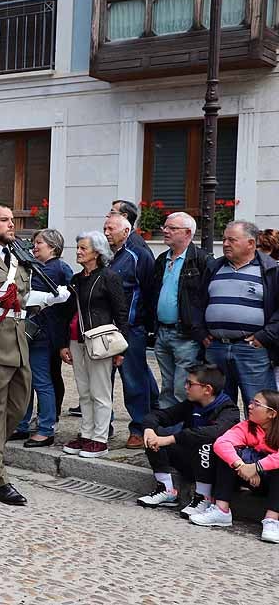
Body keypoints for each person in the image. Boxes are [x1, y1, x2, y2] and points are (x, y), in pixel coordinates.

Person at [0, 204, 69, 504]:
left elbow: (17, 298)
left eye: (11, 219)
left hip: (19, 341)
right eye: (4, 220)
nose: (11, 225)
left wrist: (49, 298)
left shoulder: (17, 257)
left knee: (18, 410)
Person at [192, 220, 279, 407]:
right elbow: (198, 303)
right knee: (218, 405)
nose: (225, 244)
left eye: (232, 240)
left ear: (251, 243)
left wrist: (264, 337)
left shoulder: (272, 270)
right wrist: (201, 333)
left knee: (259, 405)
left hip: (252, 350)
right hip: (216, 348)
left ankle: (262, 438)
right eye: (224, 239)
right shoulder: (214, 268)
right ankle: (225, 437)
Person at [58, 232, 129, 459]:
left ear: (96, 252)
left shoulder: (109, 277)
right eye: (78, 247)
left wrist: (122, 349)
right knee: (84, 391)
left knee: (100, 391)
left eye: (83, 248)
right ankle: (86, 433)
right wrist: (63, 344)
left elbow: (121, 313)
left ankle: (100, 438)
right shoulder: (77, 279)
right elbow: (68, 313)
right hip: (77, 340)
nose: (78, 252)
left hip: (100, 341)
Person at [136, 364, 239, 517]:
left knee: (205, 442)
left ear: (207, 389)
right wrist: (150, 429)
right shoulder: (192, 405)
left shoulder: (229, 411)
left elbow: (212, 433)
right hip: (190, 462)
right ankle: (166, 489)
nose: (185, 387)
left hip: (215, 470)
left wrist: (172, 439)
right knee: (154, 435)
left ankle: (203, 497)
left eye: (190, 384)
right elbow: (159, 416)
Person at [190, 390, 279, 543]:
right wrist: (242, 466)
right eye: (251, 402)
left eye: (256, 404)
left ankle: (272, 520)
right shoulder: (246, 426)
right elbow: (221, 443)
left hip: (271, 483)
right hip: (247, 476)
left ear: (272, 414)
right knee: (228, 454)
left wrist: (256, 467)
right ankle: (221, 510)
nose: (250, 406)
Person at [11, 228, 73, 448]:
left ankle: (46, 428)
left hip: (43, 333)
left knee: (40, 381)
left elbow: (68, 301)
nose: (35, 247)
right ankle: (22, 423)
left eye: (39, 243)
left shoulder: (60, 268)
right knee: (25, 380)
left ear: (53, 247)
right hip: (28, 331)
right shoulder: (33, 266)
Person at [104, 212, 159, 449]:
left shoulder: (139, 256)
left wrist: (147, 327)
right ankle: (104, 426)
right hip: (106, 329)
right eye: (105, 228)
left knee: (133, 380)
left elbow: (149, 292)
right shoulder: (107, 256)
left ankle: (139, 428)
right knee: (109, 380)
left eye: (111, 229)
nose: (106, 233)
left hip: (131, 329)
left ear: (126, 232)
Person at [151, 212, 211, 408]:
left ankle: (182, 434)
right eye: (165, 227)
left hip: (186, 335)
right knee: (167, 387)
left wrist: (201, 330)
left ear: (187, 233)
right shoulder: (162, 259)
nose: (165, 231)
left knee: (182, 387)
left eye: (172, 228)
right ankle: (168, 432)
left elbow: (207, 298)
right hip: (163, 332)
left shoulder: (201, 260)